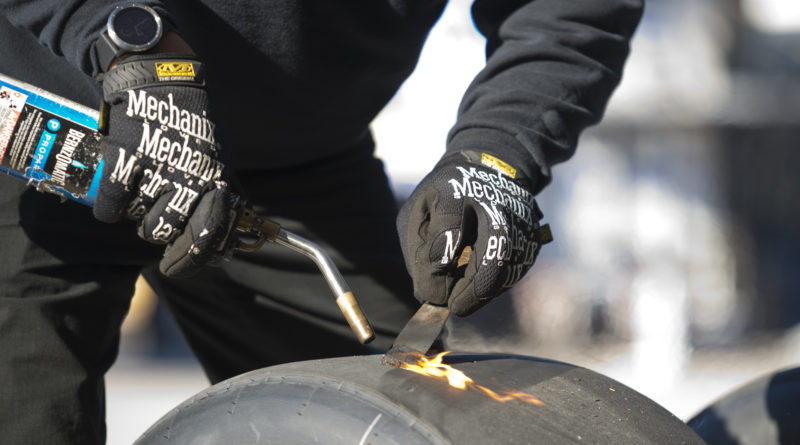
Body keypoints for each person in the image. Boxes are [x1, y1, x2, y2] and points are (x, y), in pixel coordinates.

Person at [0, 0, 643, 443]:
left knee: (407, 416)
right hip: (55, 126)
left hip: (300, 164)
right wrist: (134, 44)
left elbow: (570, 10)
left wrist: (498, 155)